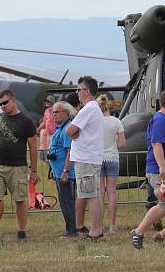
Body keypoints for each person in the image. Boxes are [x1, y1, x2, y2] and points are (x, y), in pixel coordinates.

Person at [131, 89, 165, 250]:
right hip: (162, 171)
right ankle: (139, 231)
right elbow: (157, 144)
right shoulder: (160, 120)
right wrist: (163, 168)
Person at [0, 89, 39, 241]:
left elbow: (33, 148)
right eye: (0, 103)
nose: (2, 106)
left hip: (18, 167)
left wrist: (34, 171)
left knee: (20, 199)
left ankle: (21, 231)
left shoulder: (26, 121)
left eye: (5, 102)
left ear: (13, 100)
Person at [66, 76, 105, 240]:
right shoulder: (94, 108)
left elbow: (69, 130)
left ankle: (95, 232)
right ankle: (97, 230)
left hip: (86, 158)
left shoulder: (88, 108)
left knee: (91, 196)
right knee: (93, 194)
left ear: (87, 91)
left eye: (79, 89)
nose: (77, 93)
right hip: (91, 157)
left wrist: (75, 133)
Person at [48, 101, 77, 237]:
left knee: (67, 202)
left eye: (56, 112)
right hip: (58, 171)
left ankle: (71, 230)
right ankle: (71, 228)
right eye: (52, 112)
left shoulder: (66, 129)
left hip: (65, 173)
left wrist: (65, 171)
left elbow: (69, 152)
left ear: (66, 113)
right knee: (64, 201)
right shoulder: (59, 128)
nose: (53, 115)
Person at [98, 95, 125, 234]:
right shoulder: (116, 122)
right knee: (112, 192)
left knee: (100, 192)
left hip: (98, 159)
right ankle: (113, 225)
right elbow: (122, 144)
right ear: (109, 106)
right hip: (113, 159)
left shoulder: (96, 122)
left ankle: (99, 225)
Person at [37, 96, 57, 163]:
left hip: (55, 134)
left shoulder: (56, 110)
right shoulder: (46, 111)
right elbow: (44, 122)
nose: (46, 102)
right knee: (48, 153)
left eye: (48, 101)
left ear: (52, 102)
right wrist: (38, 129)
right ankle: (50, 167)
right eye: (46, 101)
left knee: (52, 152)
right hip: (48, 134)